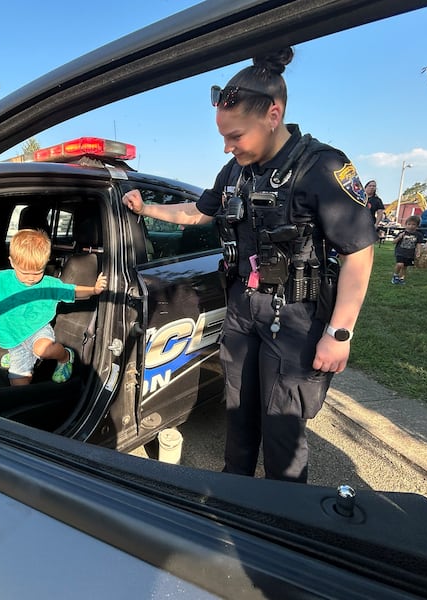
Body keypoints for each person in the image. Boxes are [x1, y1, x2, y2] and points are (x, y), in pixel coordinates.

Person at [122, 47, 375, 483]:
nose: (227, 145)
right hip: (243, 308)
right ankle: (235, 495)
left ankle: (287, 517)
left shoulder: (322, 166)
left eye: (235, 135)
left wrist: (339, 332)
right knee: (238, 412)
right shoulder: (235, 172)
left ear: (273, 114)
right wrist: (146, 210)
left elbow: (358, 251)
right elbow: (200, 212)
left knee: (282, 428)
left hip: (294, 317)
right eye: (224, 136)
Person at [0, 228, 107, 385]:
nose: (31, 278)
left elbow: (72, 291)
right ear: (12, 262)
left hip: (38, 330)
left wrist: (93, 290)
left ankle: (65, 357)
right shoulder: (0, 279)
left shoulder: (49, 285)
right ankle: (21, 355)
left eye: (38, 272)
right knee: (18, 385)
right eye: (25, 273)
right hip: (13, 336)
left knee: (42, 349)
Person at [391, 215, 423, 284]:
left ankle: (401, 278)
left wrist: (419, 252)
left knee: (405, 267)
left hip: (410, 254)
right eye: (409, 224)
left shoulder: (418, 235)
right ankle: (395, 275)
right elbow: (393, 242)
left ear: (417, 226)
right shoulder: (402, 233)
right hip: (400, 252)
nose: (411, 226)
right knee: (400, 264)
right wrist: (399, 237)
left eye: (413, 224)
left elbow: (418, 244)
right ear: (406, 225)